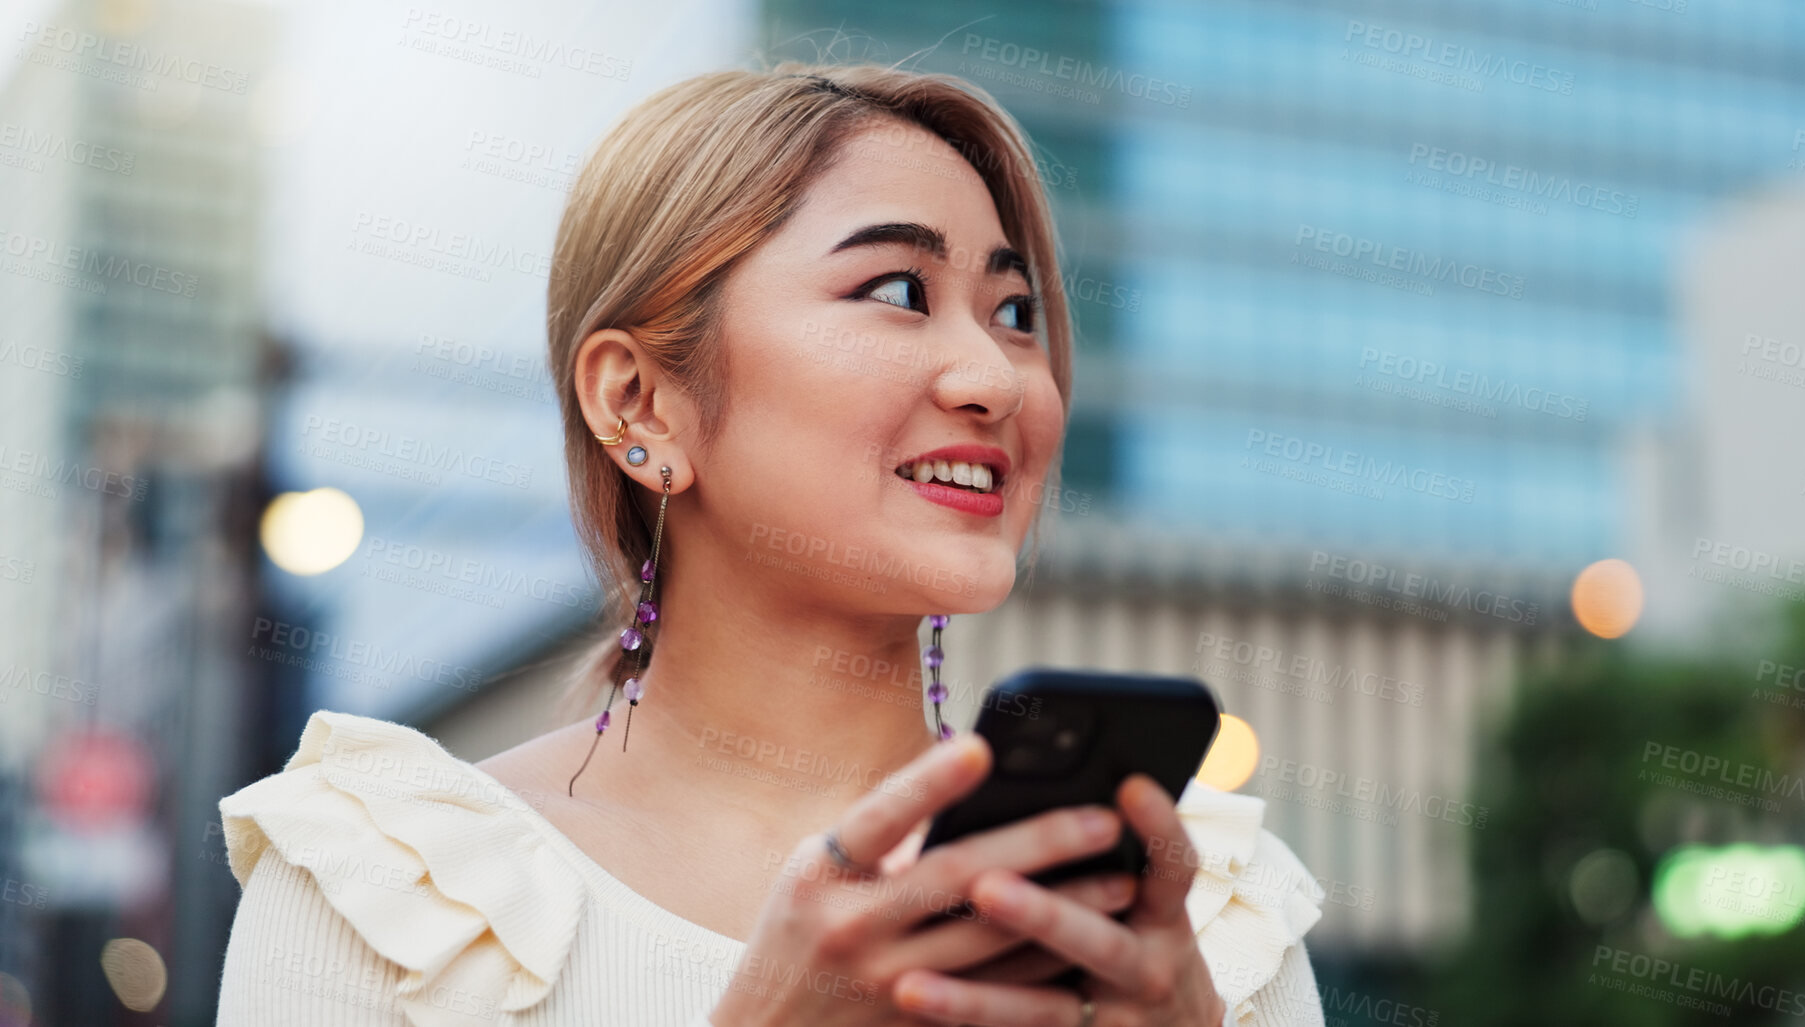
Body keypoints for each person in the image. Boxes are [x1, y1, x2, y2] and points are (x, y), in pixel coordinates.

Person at [214, 62, 1328, 1027]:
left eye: (1015, 311)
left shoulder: (1207, 914)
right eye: (899, 290)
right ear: (639, 402)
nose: (996, 379)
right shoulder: (386, 883)